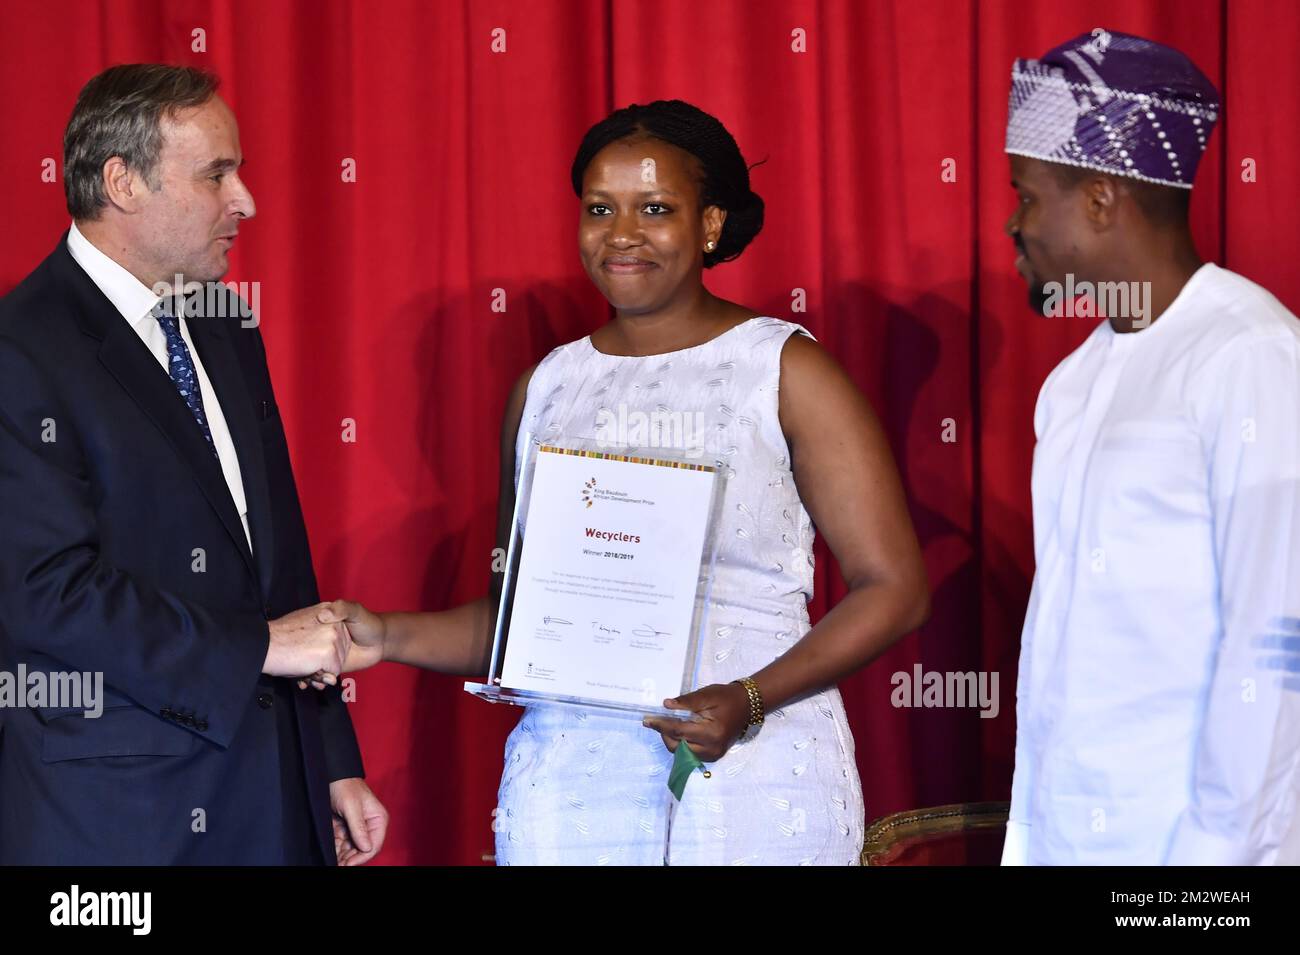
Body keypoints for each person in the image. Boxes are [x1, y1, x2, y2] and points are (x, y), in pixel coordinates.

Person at [319, 99, 929, 865]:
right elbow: (522, 620)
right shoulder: (546, 388)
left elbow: (894, 586)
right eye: (600, 209)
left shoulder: (787, 370)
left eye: (657, 208)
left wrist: (748, 700)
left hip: (751, 775)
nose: (622, 235)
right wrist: (387, 633)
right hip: (571, 787)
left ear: (710, 224)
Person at [0, 64, 387, 865]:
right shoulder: (20, 349)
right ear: (122, 182)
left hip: (276, 794)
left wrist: (332, 756)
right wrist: (259, 648)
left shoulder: (222, 324)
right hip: (121, 821)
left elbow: (277, 559)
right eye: (217, 174)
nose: (245, 200)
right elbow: (42, 591)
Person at [1001, 30, 1300, 864]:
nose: (1012, 223)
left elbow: (1276, 647)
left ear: (1099, 200)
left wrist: (1212, 871)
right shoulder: (1074, 381)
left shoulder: (1251, 356)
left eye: (1027, 195)